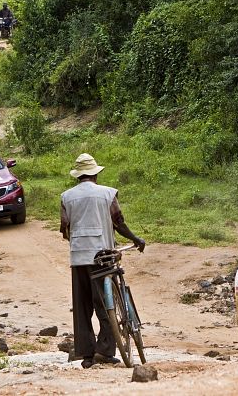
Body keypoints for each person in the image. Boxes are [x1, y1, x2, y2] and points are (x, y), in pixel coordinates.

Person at [60, 153, 146, 369]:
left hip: (78, 257)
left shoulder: (66, 197)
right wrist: (135, 239)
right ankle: (105, 350)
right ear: (95, 174)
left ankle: (87, 355)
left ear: (78, 176)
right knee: (106, 304)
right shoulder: (108, 194)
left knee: (82, 307)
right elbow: (119, 222)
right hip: (103, 255)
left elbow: (65, 229)